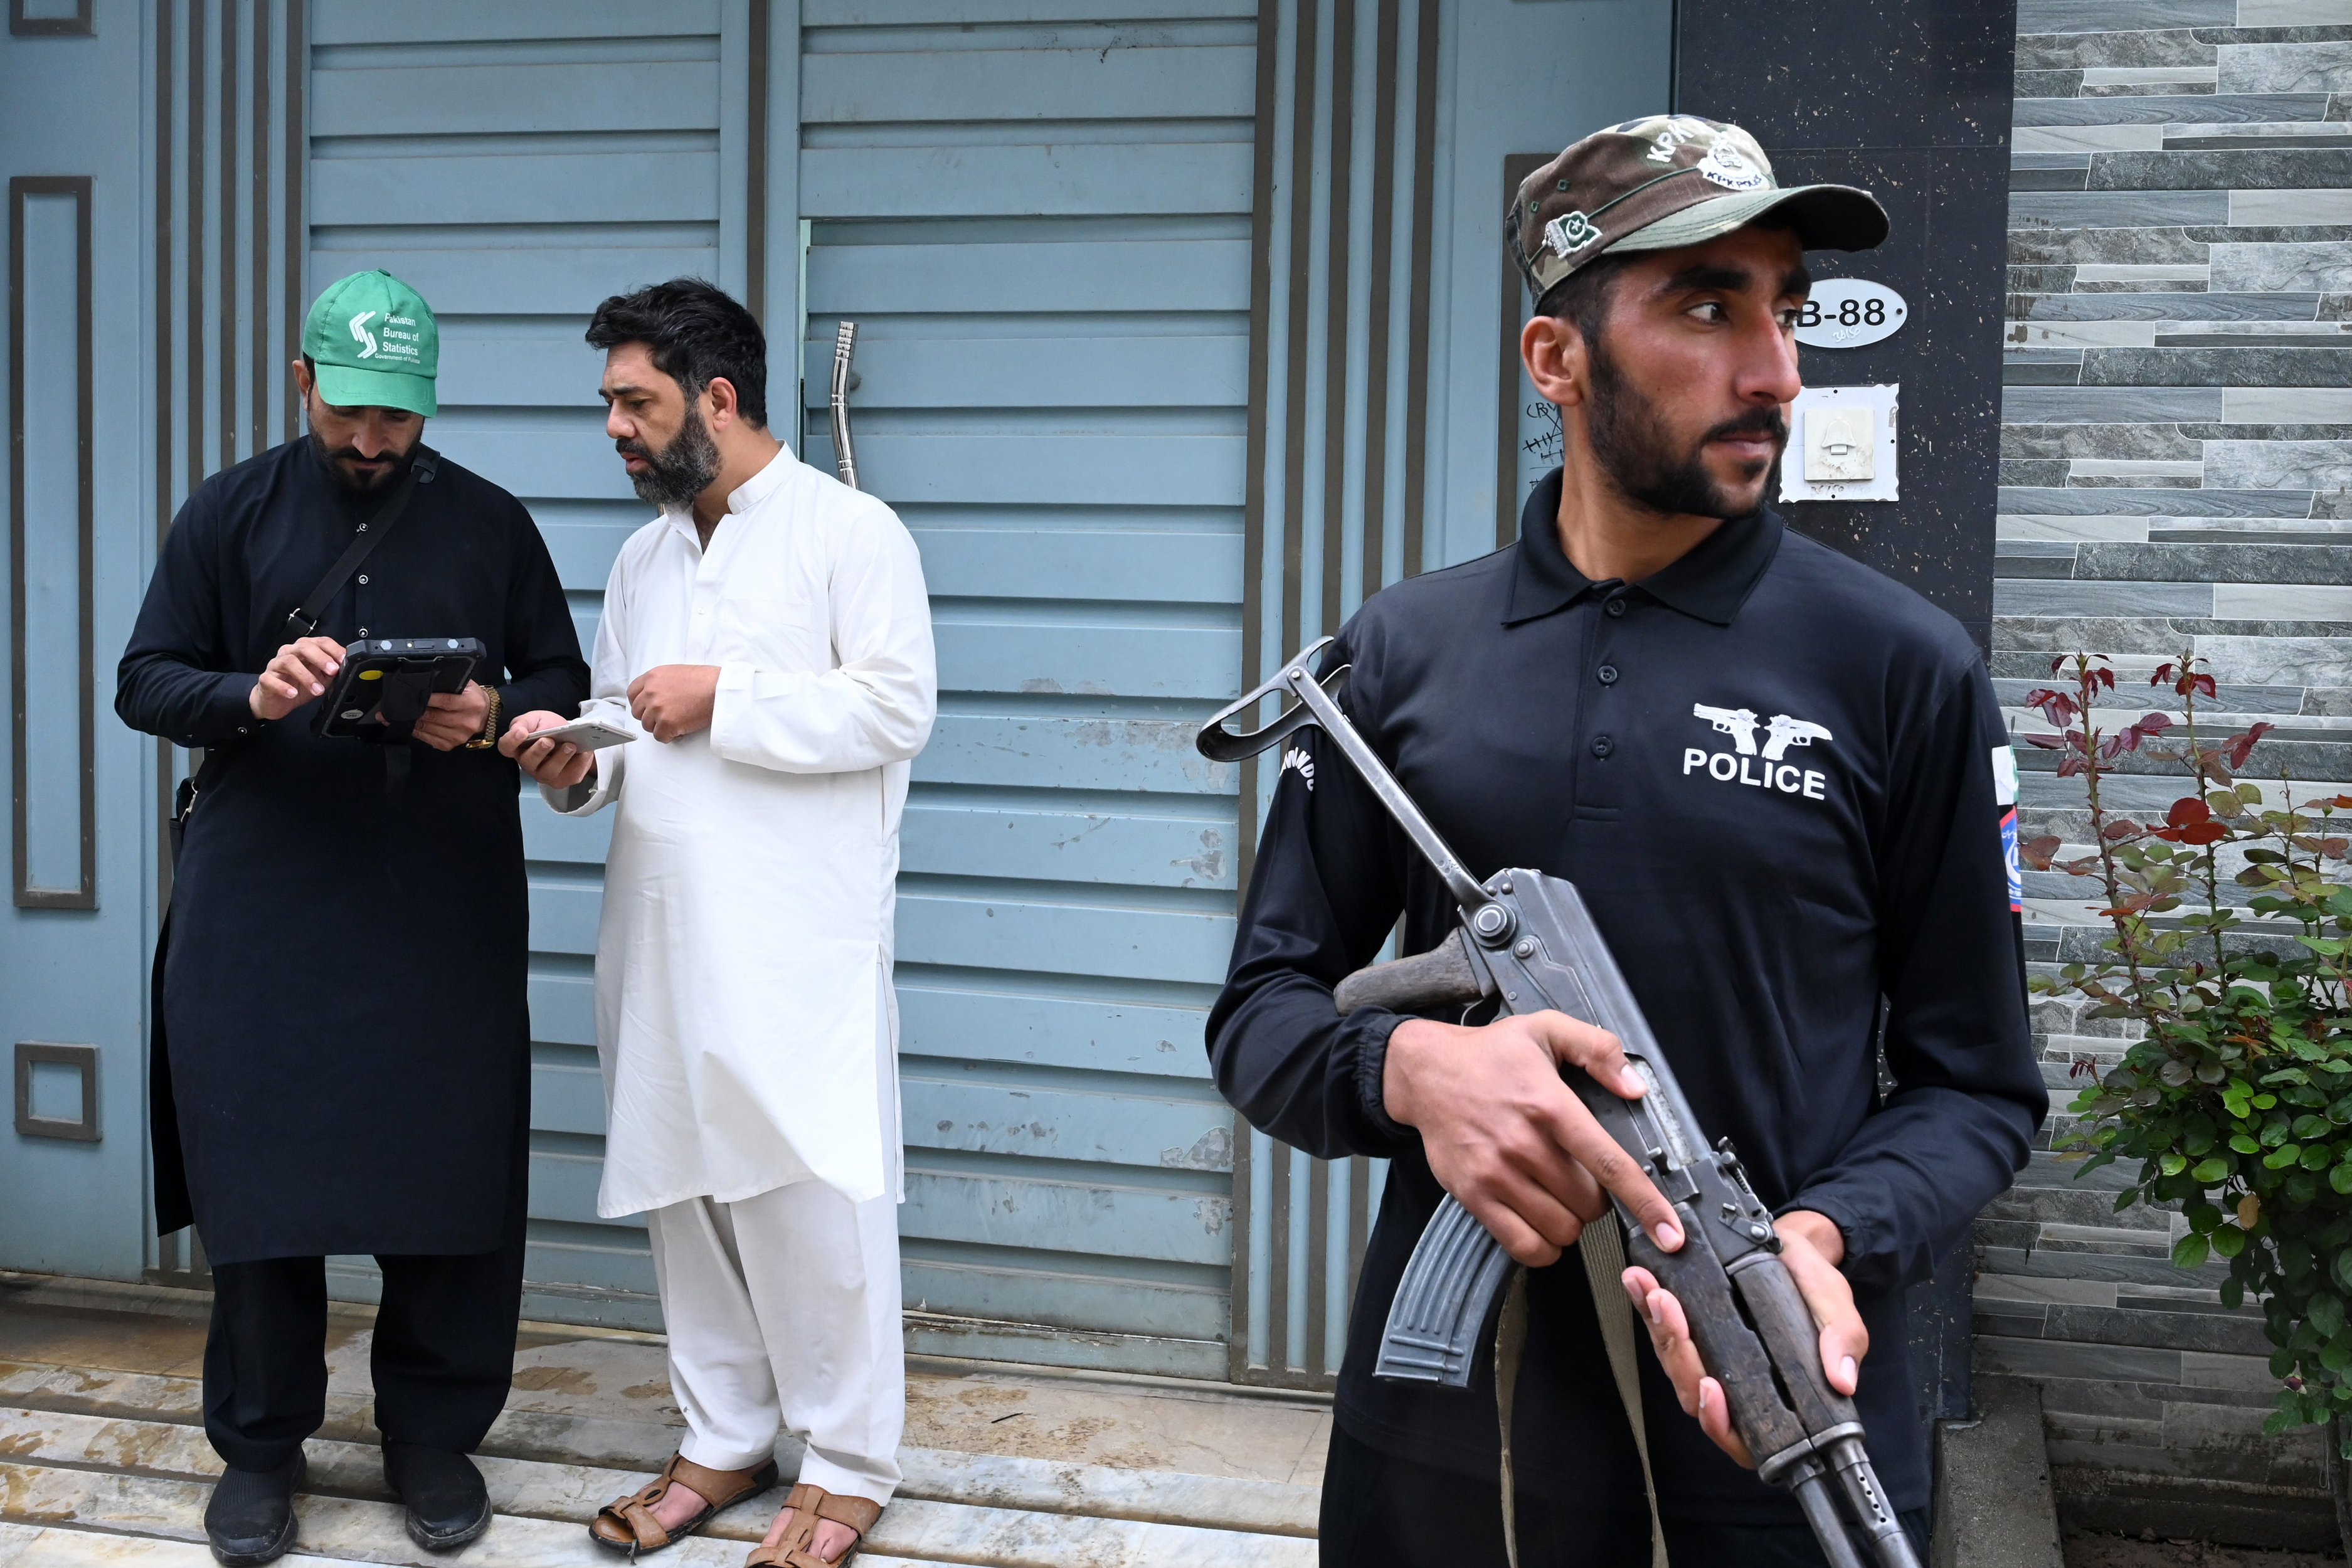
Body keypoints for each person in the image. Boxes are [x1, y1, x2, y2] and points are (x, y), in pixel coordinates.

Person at [1206, 117, 2047, 1567]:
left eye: (1784, 309)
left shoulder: (1903, 668)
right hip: (1447, 1435)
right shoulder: (1401, 651)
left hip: (1776, 1413)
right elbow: (1262, 1014)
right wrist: (1413, 1066)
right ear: (1557, 359)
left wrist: (1829, 1236)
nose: (1775, 366)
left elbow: (1980, 1087)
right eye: (1707, 304)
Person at [117, 269, 590, 1565]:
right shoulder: (229, 512)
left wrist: (494, 713)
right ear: (303, 379)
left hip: (442, 902)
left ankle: (433, 1433)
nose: (376, 442)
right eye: (355, 414)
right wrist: (253, 694)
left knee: (449, 1172)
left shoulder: (495, 526)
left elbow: (559, 676)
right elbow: (145, 678)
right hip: (262, 901)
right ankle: (262, 1448)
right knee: (262, 1181)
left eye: (401, 418)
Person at [502, 278, 936, 1568]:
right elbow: (630, 729)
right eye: (611, 405)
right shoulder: (644, 558)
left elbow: (895, 708)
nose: (617, 429)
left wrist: (725, 696)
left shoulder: (851, 534)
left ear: (720, 397)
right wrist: (576, 765)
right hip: (659, 930)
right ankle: (724, 1432)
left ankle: (851, 1461)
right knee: (683, 1190)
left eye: (636, 401)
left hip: (796, 944)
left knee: (815, 1197)